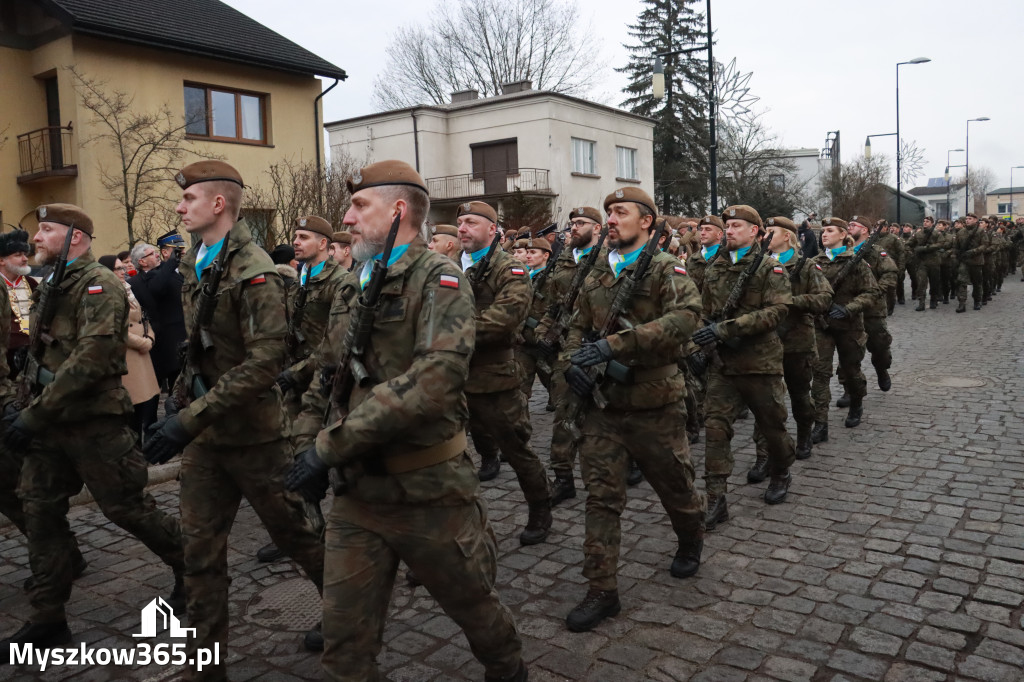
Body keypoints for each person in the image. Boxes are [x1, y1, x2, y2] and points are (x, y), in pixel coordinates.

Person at [284, 160, 527, 682]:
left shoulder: (440, 280)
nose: (346, 218)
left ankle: (509, 670)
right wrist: (305, 447)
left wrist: (327, 449)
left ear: (398, 210)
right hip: (359, 495)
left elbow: (433, 379)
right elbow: (330, 376)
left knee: (476, 612)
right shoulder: (352, 285)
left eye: (358, 206)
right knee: (344, 646)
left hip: (428, 492)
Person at [143, 161, 324, 678]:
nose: (180, 208)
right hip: (207, 439)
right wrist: (183, 403)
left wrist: (187, 419)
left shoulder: (254, 270)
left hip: (255, 438)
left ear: (218, 204)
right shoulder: (196, 263)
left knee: (298, 536)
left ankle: (347, 609)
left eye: (189, 199)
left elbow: (264, 363)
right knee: (199, 551)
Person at [1, 204, 185, 659]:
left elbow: (91, 362)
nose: (36, 238)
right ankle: (48, 618)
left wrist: (33, 415)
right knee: (40, 515)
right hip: (49, 426)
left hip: (93, 424)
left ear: (76, 238)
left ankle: (193, 567)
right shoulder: (51, 286)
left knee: (128, 508)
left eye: (46, 230)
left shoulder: (99, 287)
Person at [562, 187, 704, 632]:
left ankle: (690, 539)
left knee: (676, 489)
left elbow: (686, 319)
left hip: (655, 405)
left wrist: (614, 345)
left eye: (620, 212)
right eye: (607, 212)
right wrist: (573, 365)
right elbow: (575, 326)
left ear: (646, 221)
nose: (610, 218)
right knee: (601, 499)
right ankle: (601, 590)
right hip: (604, 410)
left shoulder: (666, 268)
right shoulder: (596, 273)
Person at [695, 205, 797, 533]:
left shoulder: (770, 269)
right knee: (715, 429)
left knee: (772, 427)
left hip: (760, 364)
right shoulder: (714, 269)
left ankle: (781, 471)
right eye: (728, 225)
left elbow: (778, 311)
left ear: (754, 231)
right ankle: (716, 498)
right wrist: (700, 341)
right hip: (723, 366)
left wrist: (727, 329)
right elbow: (704, 312)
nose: (729, 230)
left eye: (737, 225)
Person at [457, 200, 552, 545]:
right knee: (448, 456)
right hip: (452, 376)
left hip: (494, 375)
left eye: (471, 222)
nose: (463, 228)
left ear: (492, 229)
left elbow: (504, 319)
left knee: (517, 449)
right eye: (460, 222)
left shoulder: (508, 268)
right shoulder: (449, 267)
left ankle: (541, 506)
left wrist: (449, 332)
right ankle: (449, 535)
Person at [256, 215, 347, 565]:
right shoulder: (300, 280)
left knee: (333, 463)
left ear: (324, 244)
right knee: (292, 458)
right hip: (295, 384)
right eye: (295, 236)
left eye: (304, 236)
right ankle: (304, 531)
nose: (296, 241)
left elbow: (333, 343)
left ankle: (355, 536)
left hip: (324, 382)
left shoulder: (341, 282)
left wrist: (295, 372)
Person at [748, 217, 832, 476]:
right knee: (765, 403)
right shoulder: (759, 265)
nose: (766, 236)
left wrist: (789, 302)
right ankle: (764, 456)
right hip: (765, 343)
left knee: (798, 396)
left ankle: (805, 433)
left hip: (797, 343)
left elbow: (824, 298)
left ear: (787, 236)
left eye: (771, 232)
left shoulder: (806, 266)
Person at [537, 207, 604, 505]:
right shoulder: (562, 260)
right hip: (568, 347)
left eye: (581, 223)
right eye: (572, 223)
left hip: (602, 347)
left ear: (598, 229)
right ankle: (563, 478)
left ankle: (628, 463)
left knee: (609, 413)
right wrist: (543, 334)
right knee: (564, 412)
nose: (573, 228)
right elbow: (551, 305)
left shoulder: (609, 261)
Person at [810, 218, 880, 442]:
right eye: (823, 231)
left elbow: (872, 293)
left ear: (842, 235)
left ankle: (856, 403)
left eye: (830, 231)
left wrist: (849, 308)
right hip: (822, 325)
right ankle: (820, 424)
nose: (824, 234)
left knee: (851, 371)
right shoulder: (813, 262)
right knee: (819, 374)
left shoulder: (856, 261)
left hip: (849, 326)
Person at [100, 254, 160, 441]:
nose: (123, 271)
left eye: (122, 268)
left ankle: (141, 449)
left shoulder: (128, 289)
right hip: (128, 356)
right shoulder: (106, 294)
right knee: (131, 412)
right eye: (118, 269)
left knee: (144, 405)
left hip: (142, 354)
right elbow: (116, 328)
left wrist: (150, 336)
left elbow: (143, 318)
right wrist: (143, 343)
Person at [128, 232, 187, 392]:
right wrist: (170, 263)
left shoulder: (168, 273)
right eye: (153, 254)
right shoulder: (147, 278)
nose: (157, 256)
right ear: (142, 262)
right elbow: (156, 288)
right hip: (159, 340)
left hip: (178, 336)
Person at [847, 216, 896, 395]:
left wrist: (876, 292)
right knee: (849, 351)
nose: (849, 227)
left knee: (879, 346)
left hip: (872, 310)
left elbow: (890, 274)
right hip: (849, 309)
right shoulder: (843, 250)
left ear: (865, 230)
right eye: (848, 224)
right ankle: (849, 388)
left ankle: (882, 370)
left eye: (853, 225)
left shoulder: (876, 251)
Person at [0, 229, 35, 372]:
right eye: (18, 255)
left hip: (32, 356)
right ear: (1, 260)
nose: (25, 259)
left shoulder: (32, 283)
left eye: (25, 254)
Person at [906, 216, 944, 311]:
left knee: (934, 283)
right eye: (924, 221)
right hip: (921, 262)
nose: (925, 223)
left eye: (927, 221)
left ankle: (933, 300)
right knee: (921, 283)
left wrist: (927, 248)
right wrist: (913, 252)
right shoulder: (918, 234)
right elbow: (908, 244)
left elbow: (940, 244)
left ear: (932, 223)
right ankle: (921, 302)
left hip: (934, 261)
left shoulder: (936, 234)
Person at [955, 213, 986, 312]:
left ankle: (977, 301)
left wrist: (973, 251)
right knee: (961, 282)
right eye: (967, 219)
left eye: (970, 219)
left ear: (975, 220)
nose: (967, 220)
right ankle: (962, 303)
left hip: (976, 261)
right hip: (964, 261)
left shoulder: (980, 231)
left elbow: (984, 245)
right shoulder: (961, 232)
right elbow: (956, 246)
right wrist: (956, 255)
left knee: (977, 283)